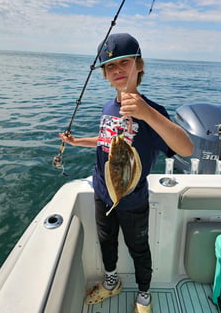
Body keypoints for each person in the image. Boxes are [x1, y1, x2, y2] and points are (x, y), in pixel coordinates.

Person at [59, 33, 194, 313]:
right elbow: (105, 141)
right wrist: (77, 142)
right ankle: (111, 282)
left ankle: (144, 294)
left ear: (140, 65)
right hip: (102, 192)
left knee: (138, 248)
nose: (117, 69)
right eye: (110, 66)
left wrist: (147, 114)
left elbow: (186, 148)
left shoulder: (152, 112)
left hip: (132, 201)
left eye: (125, 62)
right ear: (105, 75)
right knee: (106, 241)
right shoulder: (109, 107)